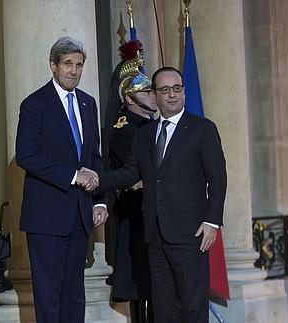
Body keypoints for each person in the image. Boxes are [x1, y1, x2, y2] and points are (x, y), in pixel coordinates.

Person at [98, 66, 227, 323]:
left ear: (184, 93)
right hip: (155, 235)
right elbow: (130, 172)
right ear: (154, 96)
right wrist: (95, 180)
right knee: (163, 308)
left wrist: (212, 222)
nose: (171, 95)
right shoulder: (145, 134)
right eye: (164, 90)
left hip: (192, 235)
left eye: (176, 89)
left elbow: (218, 178)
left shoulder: (202, 128)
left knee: (192, 308)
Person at [15, 36, 108, 322]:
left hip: (80, 215)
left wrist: (100, 201)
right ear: (53, 65)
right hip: (46, 218)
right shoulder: (34, 104)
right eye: (67, 64)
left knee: (74, 295)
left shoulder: (87, 104)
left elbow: (94, 156)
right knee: (49, 296)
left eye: (79, 65)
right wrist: (73, 176)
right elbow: (26, 155)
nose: (74, 71)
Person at [106, 41, 156, 323]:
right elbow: (135, 171)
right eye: (147, 92)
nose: (153, 96)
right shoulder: (124, 130)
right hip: (135, 214)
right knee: (140, 290)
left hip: (153, 215)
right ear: (130, 97)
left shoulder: (151, 126)